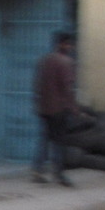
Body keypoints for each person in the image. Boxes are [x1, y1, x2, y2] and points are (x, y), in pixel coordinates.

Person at [32, 30, 78, 187]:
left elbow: (37, 85)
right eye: (69, 44)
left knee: (44, 139)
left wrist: (38, 103)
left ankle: (37, 169)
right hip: (59, 109)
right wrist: (74, 108)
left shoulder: (43, 61)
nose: (70, 47)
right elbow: (67, 88)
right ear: (62, 44)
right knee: (59, 142)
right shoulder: (66, 62)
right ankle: (58, 173)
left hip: (44, 108)